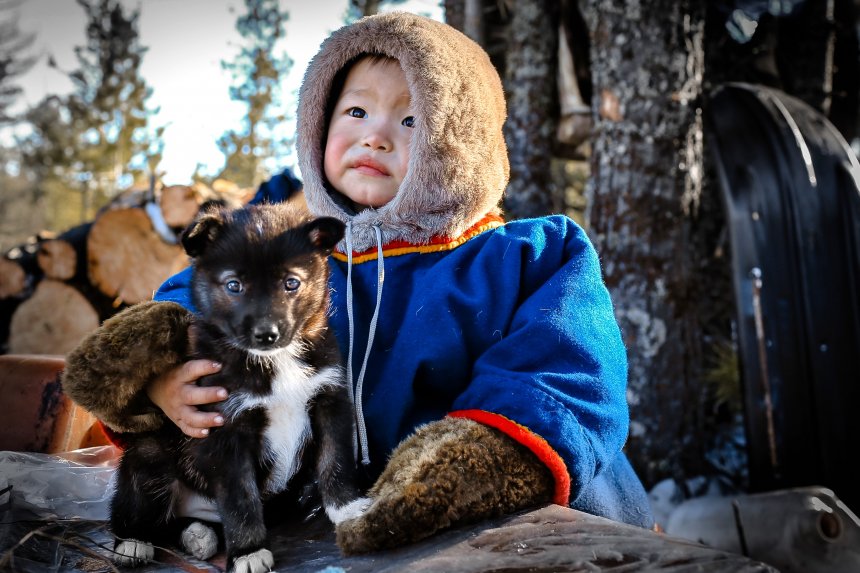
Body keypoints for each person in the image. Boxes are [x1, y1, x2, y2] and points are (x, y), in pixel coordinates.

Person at [63, 12, 654, 554]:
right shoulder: (293, 251)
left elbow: (566, 370)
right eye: (356, 112)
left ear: (462, 143)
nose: (376, 136)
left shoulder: (525, 255)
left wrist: (480, 459)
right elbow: (197, 300)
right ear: (318, 123)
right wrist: (163, 379)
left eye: (411, 119)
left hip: (546, 534)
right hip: (351, 537)